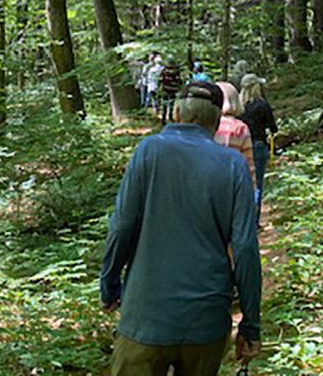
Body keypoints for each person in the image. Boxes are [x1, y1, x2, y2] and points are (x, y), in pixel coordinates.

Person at [101, 81, 261, 376]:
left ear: (175, 113)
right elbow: (245, 247)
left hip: (145, 316)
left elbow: (122, 226)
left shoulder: (149, 150)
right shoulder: (233, 165)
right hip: (206, 320)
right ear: (217, 121)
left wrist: (109, 285)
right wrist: (250, 323)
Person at [238, 74, 278, 227]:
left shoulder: (238, 107)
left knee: (241, 183)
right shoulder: (262, 105)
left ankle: (241, 220)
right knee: (257, 184)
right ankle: (254, 222)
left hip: (240, 146)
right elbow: (273, 128)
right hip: (258, 146)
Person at [214, 81, 254, 181]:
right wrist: (252, 185)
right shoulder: (240, 127)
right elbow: (248, 162)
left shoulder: (206, 125)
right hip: (232, 179)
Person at [158, 59, 182, 125]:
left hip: (165, 89)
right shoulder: (176, 71)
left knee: (164, 104)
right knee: (171, 104)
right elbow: (179, 81)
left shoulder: (163, 71)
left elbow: (160, 80)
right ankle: (170, 117)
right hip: (173, 89)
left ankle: (163, 119)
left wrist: (160, 87)